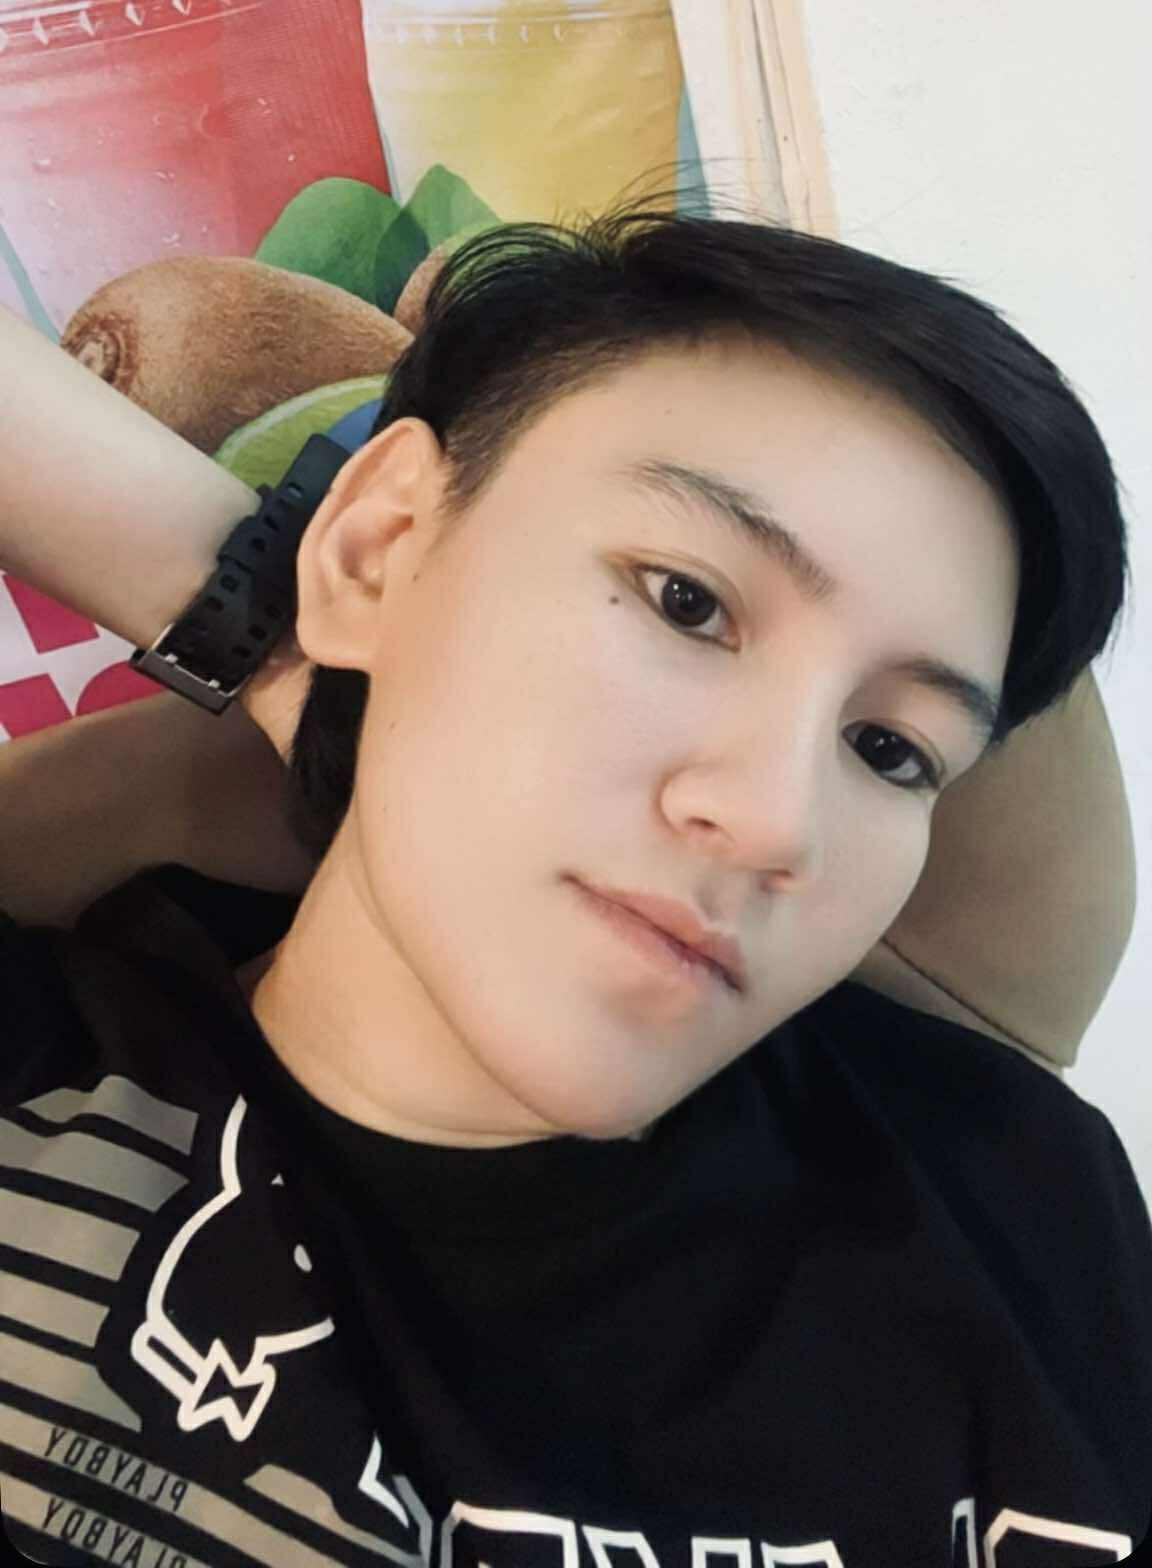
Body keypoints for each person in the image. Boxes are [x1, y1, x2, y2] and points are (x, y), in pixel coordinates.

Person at [0, 203, 1148, 1565]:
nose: (777, 823)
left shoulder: (1015, 1206)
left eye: (891, 750)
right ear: (380, 541)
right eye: (685, 602)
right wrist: (289, 627)